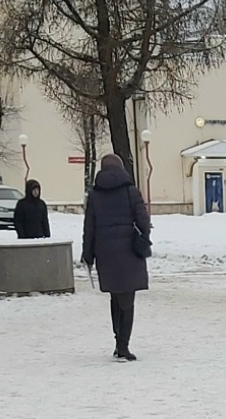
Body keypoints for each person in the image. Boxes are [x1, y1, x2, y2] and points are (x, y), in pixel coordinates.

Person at [82, 154, 152, 362]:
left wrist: (88, 254)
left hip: (105, 252)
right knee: (127, 299)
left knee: (115, 295)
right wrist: (143, 237)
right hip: (129, 251)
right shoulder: (131, 191)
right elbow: (143, 221)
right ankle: (123, 346)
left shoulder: (95, 196)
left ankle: (117, 341)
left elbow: (89, 228)